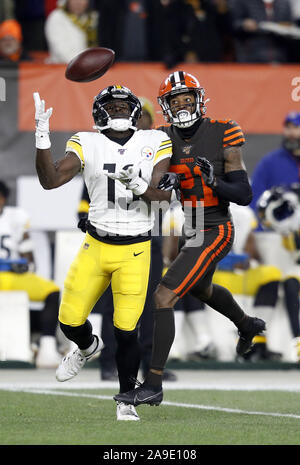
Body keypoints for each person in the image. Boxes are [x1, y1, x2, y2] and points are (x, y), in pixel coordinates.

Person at [113, 70, 266, 407]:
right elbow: (156, 189)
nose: (182, 105)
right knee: (202, 289)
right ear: (165, 106)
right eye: (175, 100)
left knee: (164, 296)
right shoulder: (162, 137)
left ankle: (153, 383)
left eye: (187, 98)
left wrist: (215, 183)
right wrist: (162, 179)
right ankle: (247, 323)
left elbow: (244, 193)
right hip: (190, 225)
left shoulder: (224, 130)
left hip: (216, 227)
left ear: (199, 99)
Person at [33, 85, 173, 421]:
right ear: (99, 113)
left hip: (136, 248)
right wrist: (41, 136)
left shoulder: (154, 141)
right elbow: (50, 180)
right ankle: (87, 347)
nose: (121, 111)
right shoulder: (86, 141)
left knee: (127, 330)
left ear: (136, 112)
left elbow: (164, 197)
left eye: (126, 106)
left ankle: (126, 399)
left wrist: (138, 186)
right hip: (96, 245)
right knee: (69, 321)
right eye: (113, 106)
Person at [250, 111, 300, 361]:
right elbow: (254, 202)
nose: (291, 133)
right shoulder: (271, 162)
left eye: (296, 127)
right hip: (272, 236)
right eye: (288, 127)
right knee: (273, 281)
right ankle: (257, 340)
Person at [0, 180, 61, 368]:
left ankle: (47, 347)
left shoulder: (16, 217)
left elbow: (28, 256)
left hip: (12, 275)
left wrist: (25, 265)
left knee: (51, 290)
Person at [230, 0, 294, 63]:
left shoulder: (284, 3)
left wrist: (287, 29)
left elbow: (290, 25)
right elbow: (232, 24)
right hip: (251, 56)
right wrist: (244, 24)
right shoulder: (243, 1)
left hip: (279, 56)